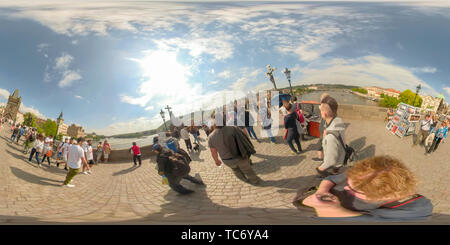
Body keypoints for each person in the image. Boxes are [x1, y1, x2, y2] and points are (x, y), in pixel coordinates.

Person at [301, 155, 433, 221]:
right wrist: (322, 191)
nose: (346, 187)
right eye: (348, 181)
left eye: (354, 190)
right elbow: (330, 179)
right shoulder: (360, 175)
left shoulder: (417, 209)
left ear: (383, 197)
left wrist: (332, 209)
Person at [208, 114, 262, 185]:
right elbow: (245, 138)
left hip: (227, 160)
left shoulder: (211, 137)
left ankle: (244, 180)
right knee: (248, 171)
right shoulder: (233, 128)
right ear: (224, 120)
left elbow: (213, 152)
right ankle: (255, 181)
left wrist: (216, 161)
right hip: (240, 156)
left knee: (236, 170)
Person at [316, 96, 347, 177]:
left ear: (324, 114)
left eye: (321, 111)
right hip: (340, 156)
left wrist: (319, 169)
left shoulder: (330, 137)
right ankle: (335, 173)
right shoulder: (338, 121)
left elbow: (330, 161)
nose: (320, 112)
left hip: (335, 162)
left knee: (329, 175)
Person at [312, 93, 330, 162]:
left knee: (319, 146)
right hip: (324, 133)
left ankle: (322, 159)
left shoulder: (326, 109)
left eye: (321, 100)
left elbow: (326, 120)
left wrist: (324, 135)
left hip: (324, 134)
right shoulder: (328, 107)